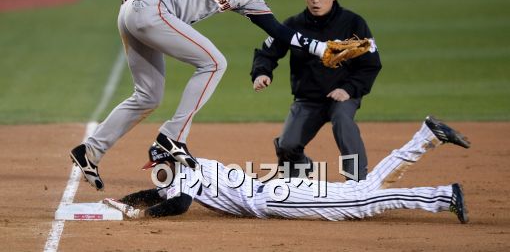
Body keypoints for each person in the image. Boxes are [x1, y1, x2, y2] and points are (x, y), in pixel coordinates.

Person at [69, 0, 345, 191]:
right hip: (148, 9)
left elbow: (279, 31)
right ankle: (172, 137)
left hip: (142, 15)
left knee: (148, 96)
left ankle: (90, 151)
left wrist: (320, 49)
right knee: (214, 62)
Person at [103, 116, 470, 223]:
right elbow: (165, 193)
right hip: (281, 191)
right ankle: (425, 139)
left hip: (279, 199)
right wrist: (126, 200)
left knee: (361, 203)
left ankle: (441, 193)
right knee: (364, 191)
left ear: (169, 160)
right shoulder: (192, 168)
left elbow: (178, 204)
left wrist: (144, 214)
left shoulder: (186, 174)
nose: (157, 172)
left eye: (158, 165)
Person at [251, 0, 382, 181]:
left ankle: (357, 181)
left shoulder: (353, 23)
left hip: (342, 96)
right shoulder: (292, 26)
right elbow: (267, 53)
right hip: (308, 99)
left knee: (342, 120)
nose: (316, 0)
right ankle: (300, 180)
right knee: (287, 145)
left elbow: (371, 64)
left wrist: (348, 89)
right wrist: (262, 73)